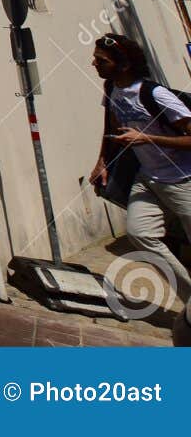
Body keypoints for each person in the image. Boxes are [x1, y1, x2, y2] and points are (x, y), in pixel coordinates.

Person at [89, 33, 191, 327]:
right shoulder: (111, 88)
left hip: (183, 180)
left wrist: (149, 138)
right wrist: (103, 161)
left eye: (101, 60)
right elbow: (110, 127)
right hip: (148, 179)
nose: (94, 63)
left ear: (123, 65)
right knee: (140, 234)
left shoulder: (155, 95)